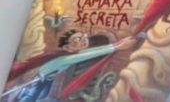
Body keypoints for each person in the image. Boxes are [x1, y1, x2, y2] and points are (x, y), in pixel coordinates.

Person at [4, 30, 136, 102]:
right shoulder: (66, 58)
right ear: (67, 47)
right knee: (31, 97)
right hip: (40, 79)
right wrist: (116, 48)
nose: (83, 40)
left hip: (49, 78)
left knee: (43, 96)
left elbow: (90, 51)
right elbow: (88, 55)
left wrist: (116, 45)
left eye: (83, 37)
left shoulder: (74, 52)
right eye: (77, 40)